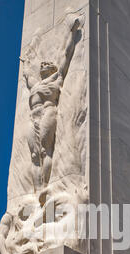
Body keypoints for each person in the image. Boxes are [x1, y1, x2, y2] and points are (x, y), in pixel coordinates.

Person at [22, 15, 81, 191]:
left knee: (44, 151)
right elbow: (26, 73)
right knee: (34, 155)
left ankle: (46, 187)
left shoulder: (57, 78)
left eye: (47, 64)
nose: (43, 65)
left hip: (48, 112)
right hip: (33, 116)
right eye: (42, 64)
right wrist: (26, 60)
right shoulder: (36, 84)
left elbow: (66, 53)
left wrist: (72, 31)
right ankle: (38, 192)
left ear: (53, 69)